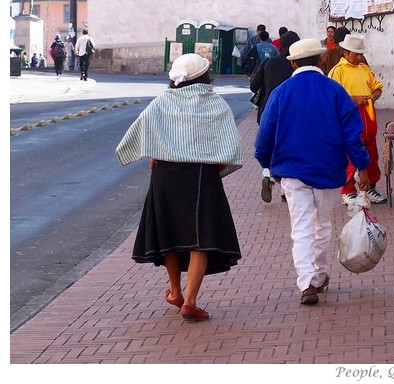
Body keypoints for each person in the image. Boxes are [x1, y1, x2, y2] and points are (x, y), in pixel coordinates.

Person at [115, 53, 243, 322]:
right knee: (201, 238)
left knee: (170, 233)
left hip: (164, 173)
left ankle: (175, 291)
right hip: (200, 173)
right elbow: (230, 144)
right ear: (206, 77)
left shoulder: (162, 101)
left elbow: (138, 133)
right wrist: (220, 167)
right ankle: (191, 300)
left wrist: (150, 153)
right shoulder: (214, 103)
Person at [254, 38, 371, 305]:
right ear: (320, 61)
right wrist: (361, 167)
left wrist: (268, 164)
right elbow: (353, 135)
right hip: (328, 170)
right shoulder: (335, 91)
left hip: (293, 171)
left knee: (302, 227)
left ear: (293, 63)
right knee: (323, 223)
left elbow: (264, 137)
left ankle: (307, 282)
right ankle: (318, 275)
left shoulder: (281, 93)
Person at [328, 34, 387, 205]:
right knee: (349, 155)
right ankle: (347, 190)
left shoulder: (364, 69)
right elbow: (333, 97)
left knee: (371, 155)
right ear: (345, 53)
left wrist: (373, 97)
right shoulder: (337, 72)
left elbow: (377, 88)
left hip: (368, 117)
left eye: (360, 54)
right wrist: (355, 99)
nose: (360, 57)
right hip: (349, 117)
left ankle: (371, 188)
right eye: (356, 54)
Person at [249, 30, 300, 203]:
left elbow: (253, 85)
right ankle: (285, 190)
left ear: (282, 46)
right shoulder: (297, 66)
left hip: (267, 111)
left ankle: (267, 175)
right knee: (287, 149)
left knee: (269, 146)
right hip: (291, 113)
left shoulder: (269, 63)